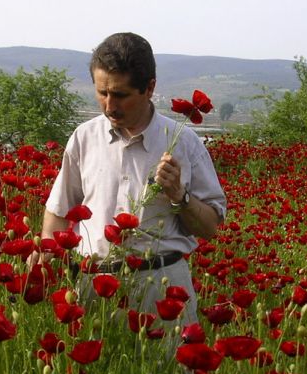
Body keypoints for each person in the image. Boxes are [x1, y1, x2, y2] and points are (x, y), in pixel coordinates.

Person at [32, 32, 227, 327]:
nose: (109, 105)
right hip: (91, 285)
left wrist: (179, 196)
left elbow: (210, 226)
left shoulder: (182, 143)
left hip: (160, 289)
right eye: (101, 92)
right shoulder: (84, 138)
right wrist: (46, 258)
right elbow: (59, 211)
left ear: (149, 88)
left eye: (120, 94)